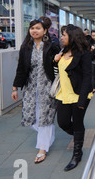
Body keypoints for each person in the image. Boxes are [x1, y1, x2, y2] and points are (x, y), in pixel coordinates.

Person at [12, 18, 60, 164]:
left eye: (38, 28)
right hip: (31, 87)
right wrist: (15, 87)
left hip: (48, 86)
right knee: (32, 116)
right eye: (32, 28)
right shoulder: (26, 47)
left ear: (45, 31)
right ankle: (47, 136)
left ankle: (42, 148)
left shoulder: (52, 46)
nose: (34, 30)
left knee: (45, 116)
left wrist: (56, 59)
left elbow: (60, 65)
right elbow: (21, 68)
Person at [54, 24, 93, 171]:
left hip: (78, 94)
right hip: (63, 94)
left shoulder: (83, 53)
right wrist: (55, 60)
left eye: (64, 35)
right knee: (63, 122)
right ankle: (79, 135)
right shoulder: (63, 51)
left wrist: (82, 99)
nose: (61, 37)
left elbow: (87, 76)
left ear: (72, 36)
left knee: (77, 122)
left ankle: (77, 154)